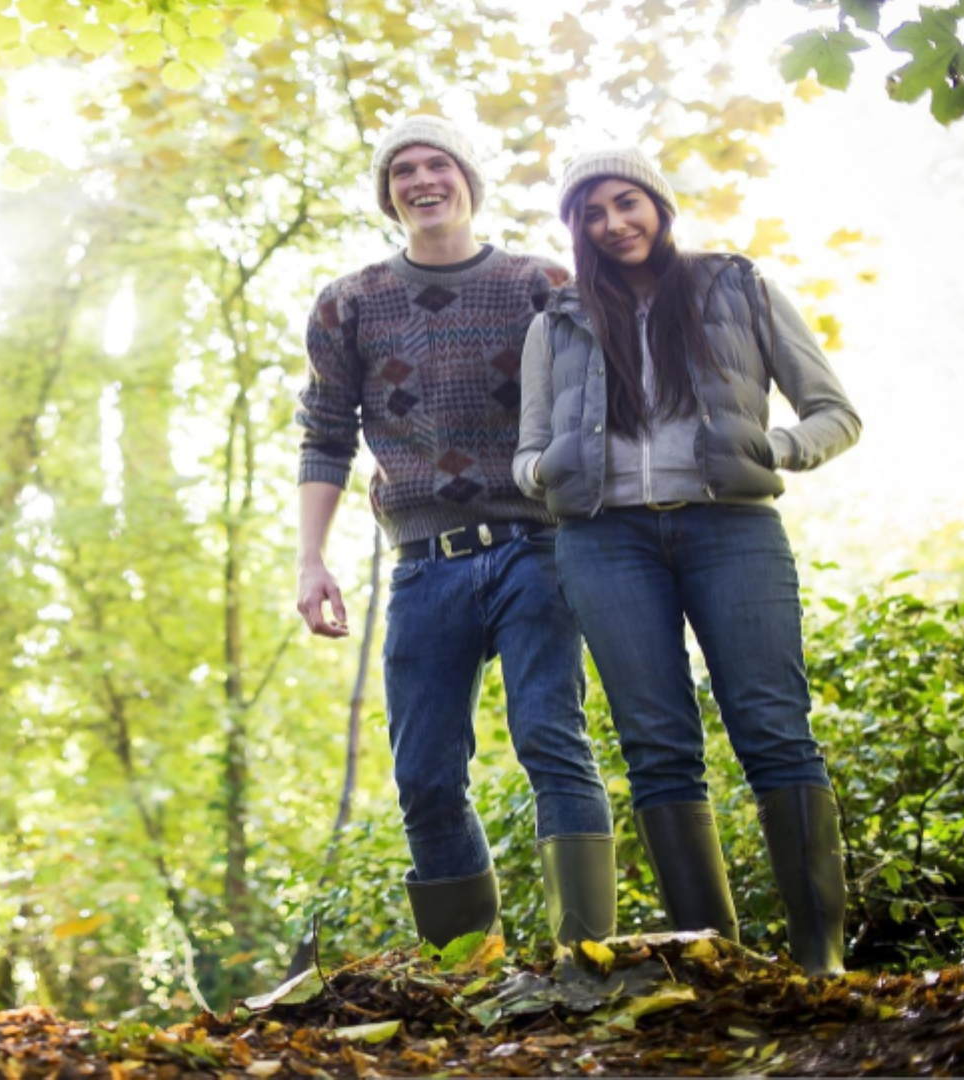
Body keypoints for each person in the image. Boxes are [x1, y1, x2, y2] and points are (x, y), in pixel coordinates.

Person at [512, 147, 861, 975]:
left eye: (626, 203)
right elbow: (526, 451)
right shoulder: (556, 321)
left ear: (659, 206)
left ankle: (821, 962)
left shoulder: (738, 288)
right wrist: (541, 472)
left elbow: (835, 413)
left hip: (731, 530)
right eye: (591, 214)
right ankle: (717, 966)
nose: (612, 225)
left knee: (775, 730)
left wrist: (772, 448)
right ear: (577, 230)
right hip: (604, 542)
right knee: (658, 745)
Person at [296, 116, 616, 951]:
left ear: (469, 181)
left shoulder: (540, 284)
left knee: (552, 739)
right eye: (402, 170)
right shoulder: (348, 303)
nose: (421, 179)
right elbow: (324, 435)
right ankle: (468, 974)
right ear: (388, 193)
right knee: (425, 774)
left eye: (438, 164)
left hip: (537, 550)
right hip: (423, 565)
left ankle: (584, 960)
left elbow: (602, 407)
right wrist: (311, 561)